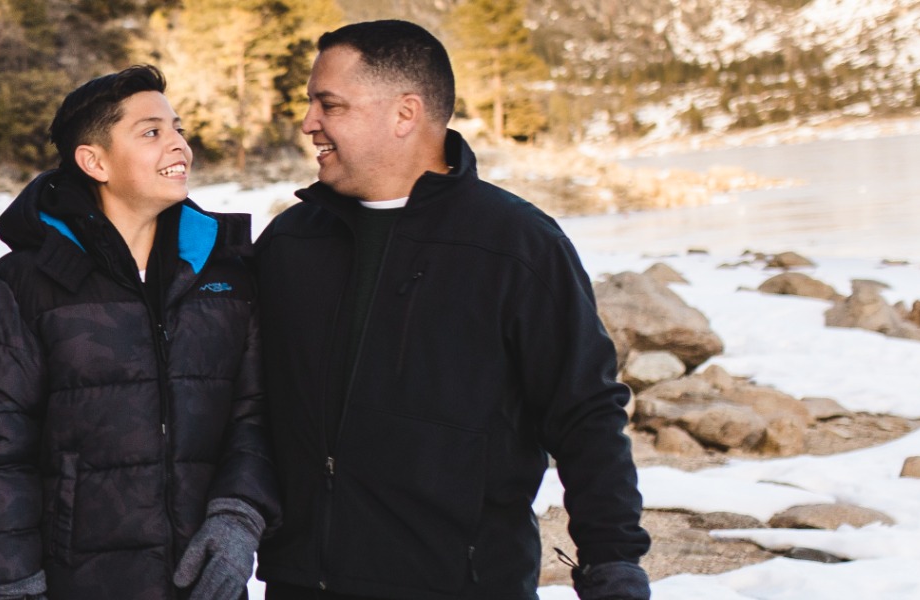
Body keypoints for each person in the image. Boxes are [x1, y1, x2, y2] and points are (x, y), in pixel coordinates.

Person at [251, 20, 650, 599]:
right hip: (303, 583)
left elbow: (585, 411)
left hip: (463, 584)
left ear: (404, 114)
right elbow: (244, 406)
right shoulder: (289, 243)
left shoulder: (516, 244)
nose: (309, 122)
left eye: (328, 104)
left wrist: (613, 563)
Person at [0, 65, 279, 600]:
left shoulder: (226, 274)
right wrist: (15, 582)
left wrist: (238, 517)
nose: (179, 146)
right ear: (94, 161)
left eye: (178, 129)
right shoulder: (20, 288)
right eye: (152, 132)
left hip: (206, 581)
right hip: (77, 582)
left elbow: (255, 414)